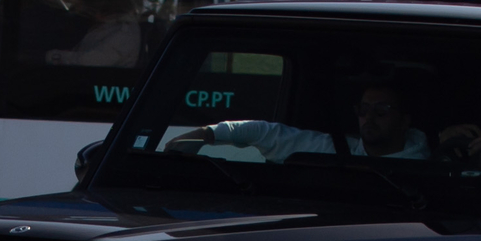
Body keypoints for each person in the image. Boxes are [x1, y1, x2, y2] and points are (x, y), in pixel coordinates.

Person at [169, 82, 433, 161]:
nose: (369, 117)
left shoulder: (433, 166)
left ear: (404, 121)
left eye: (382, 110)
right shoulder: (339, 150)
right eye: (364, 109)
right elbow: (267, 133)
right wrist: (205, 135)